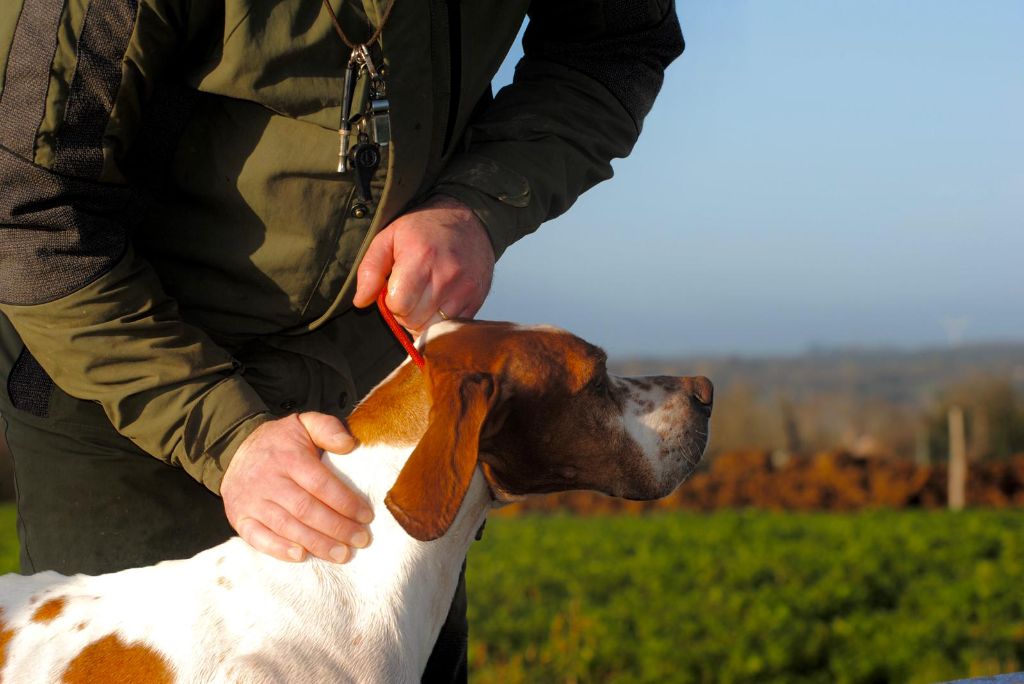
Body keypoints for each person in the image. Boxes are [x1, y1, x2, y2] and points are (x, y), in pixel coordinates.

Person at [0, 0, 682, 680]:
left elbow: (617, 45)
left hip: (371, 387)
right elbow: (25, 212)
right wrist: (219, 429)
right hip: (117, 369)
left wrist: (478, 202)